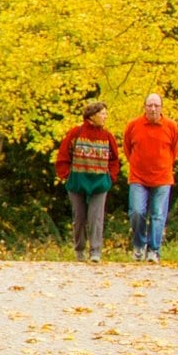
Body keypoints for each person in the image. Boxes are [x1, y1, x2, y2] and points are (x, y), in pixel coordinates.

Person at [53, 101, 122, 262]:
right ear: (92, 116)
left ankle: (95, 251)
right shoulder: (76, 133)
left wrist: (110, 177)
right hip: (77, 181)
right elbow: (63, 155)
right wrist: (66, 175)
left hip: (99, 183)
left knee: (96, 217)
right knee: (79, 217)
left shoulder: (107, 136)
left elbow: (114, 159)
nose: (105, 116)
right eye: (102, 113)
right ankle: (79, 250)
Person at [121, 92, 178, 262]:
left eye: (156, 106)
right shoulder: (133, 125)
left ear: (161, 108)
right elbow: (127, 148)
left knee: (157, 214)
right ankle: (139, 244)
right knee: (136, 212)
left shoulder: (171, 126)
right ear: (144, 107)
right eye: (150, 105)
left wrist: (164, 164)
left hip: (162, 178)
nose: (153, 109)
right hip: (138, 177)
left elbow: (175, 150)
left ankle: (153, 250)